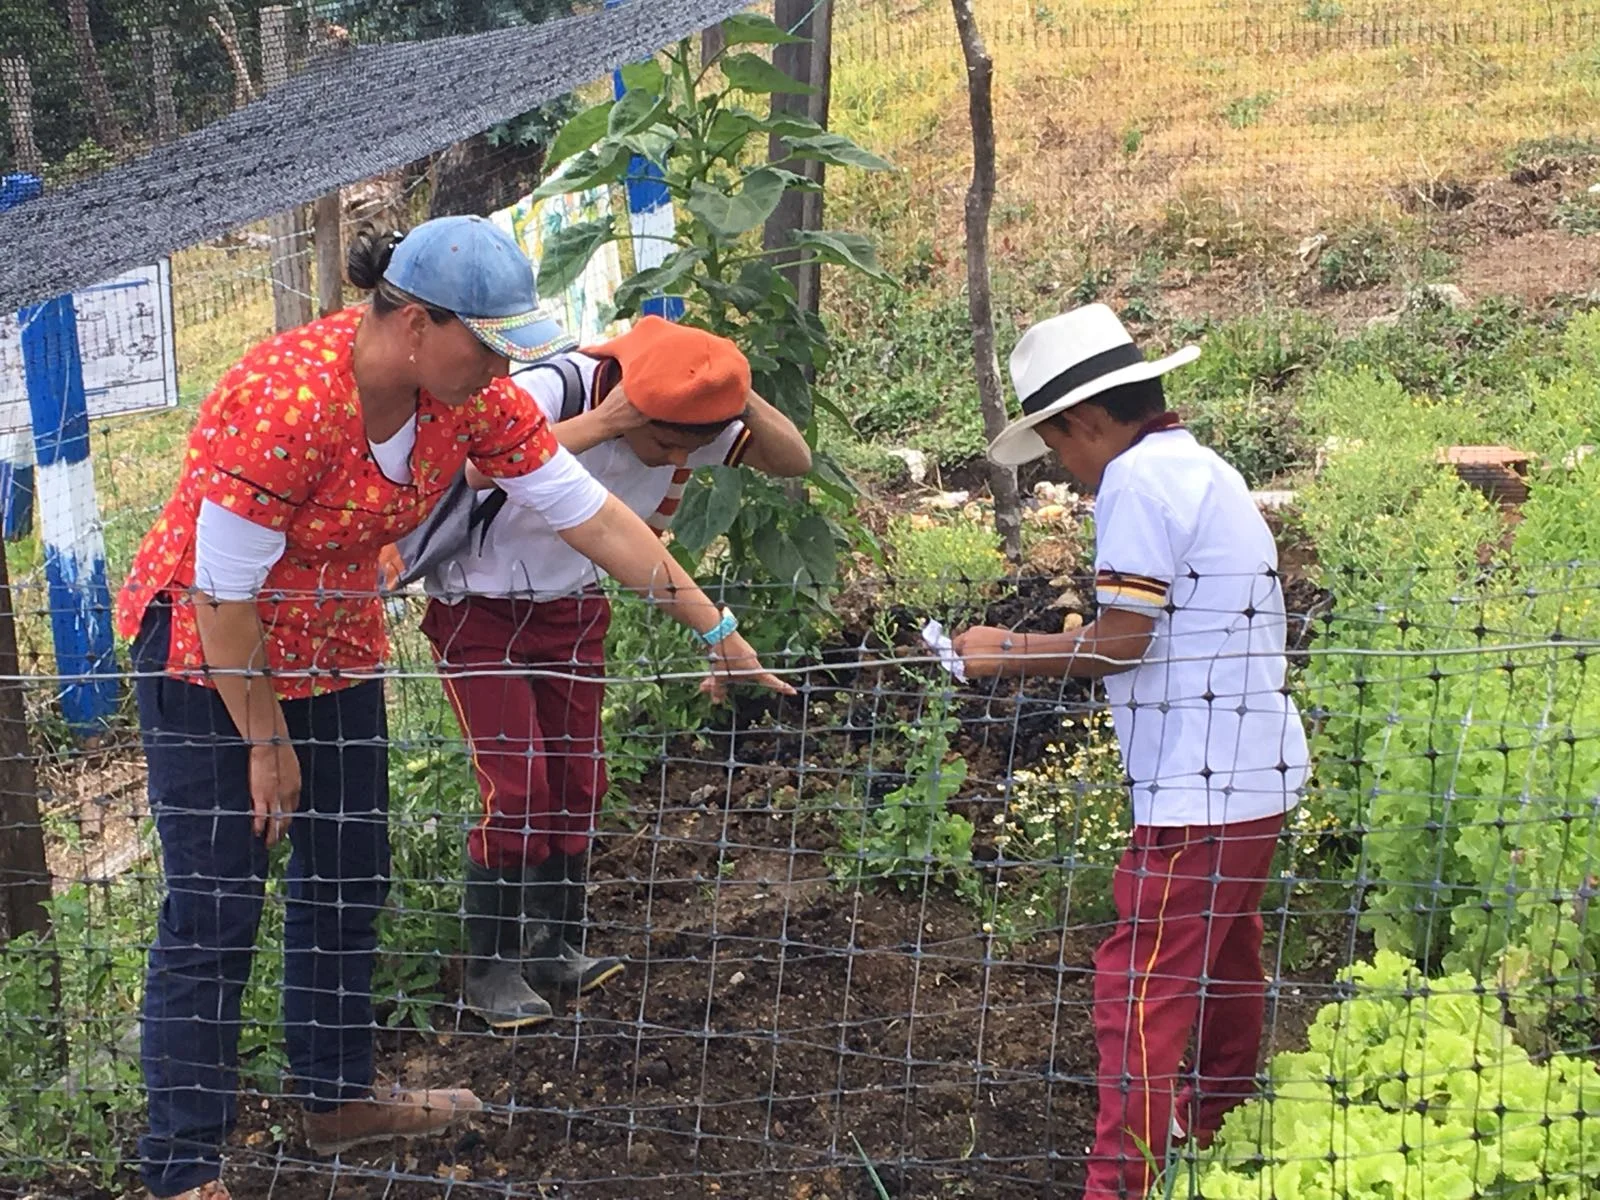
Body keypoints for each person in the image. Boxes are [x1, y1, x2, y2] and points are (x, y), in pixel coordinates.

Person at [116, 216, 791, 1200]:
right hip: (207, 661)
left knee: (349, 879)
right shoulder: (287, 399)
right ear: (417, 325)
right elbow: (220, 594)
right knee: (216, 909)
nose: (502, 368)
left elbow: (592, 513)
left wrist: (711, 625)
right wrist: (264, 743)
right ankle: (181, 1170)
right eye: (488, 345)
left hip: (334, 645)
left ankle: (337, 1099)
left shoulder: (467, 402)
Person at [950, 304, 1309, 1199]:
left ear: (1083, 422)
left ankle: (1120, 1183)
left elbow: (1121, 638)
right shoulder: (1200, 468)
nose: (1066, 475)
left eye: (1058, 451)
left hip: (1196, 784)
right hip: (1252, 768)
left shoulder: (1137, 484)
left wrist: (1004, 653)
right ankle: (1214, 1115)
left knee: (1138, 984)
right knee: (1225, 953)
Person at [382, 315, 812, 1029]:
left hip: (573, 610)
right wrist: (607, 424)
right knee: (517, 784)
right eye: (668, 441)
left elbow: (791, 459)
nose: (677, 457)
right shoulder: (557, 388)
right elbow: (481, 465)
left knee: (581, 779)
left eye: (691, 443)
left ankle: (558, 945)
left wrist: (736, 391)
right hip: (479, 612)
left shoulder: (684, 420)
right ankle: (491, 968)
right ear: (633, 402)